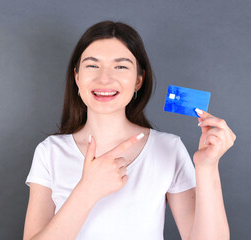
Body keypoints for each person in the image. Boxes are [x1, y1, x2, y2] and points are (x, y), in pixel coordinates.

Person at [23, 21, 236, 240]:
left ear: (138, 80)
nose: (104, 78)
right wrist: (88, 190)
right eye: (93, 65)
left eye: (121, 66)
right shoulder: (49, 152)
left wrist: (208, 167)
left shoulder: (168, 149)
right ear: (77, 77)